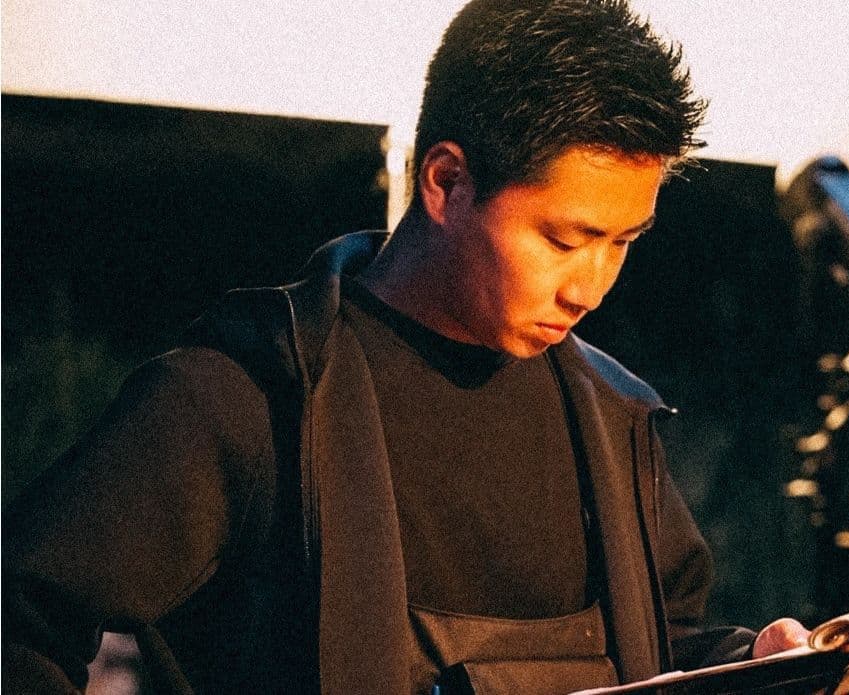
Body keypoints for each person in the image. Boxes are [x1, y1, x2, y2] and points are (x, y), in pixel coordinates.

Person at [3, 1, 808, 692]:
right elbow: (22, 606)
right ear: (446, 181)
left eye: (622, 241)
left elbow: (661, 648)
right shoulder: (253, 398)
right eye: (564, 239)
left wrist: (753, 663)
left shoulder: (615, 417)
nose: (591, 286)